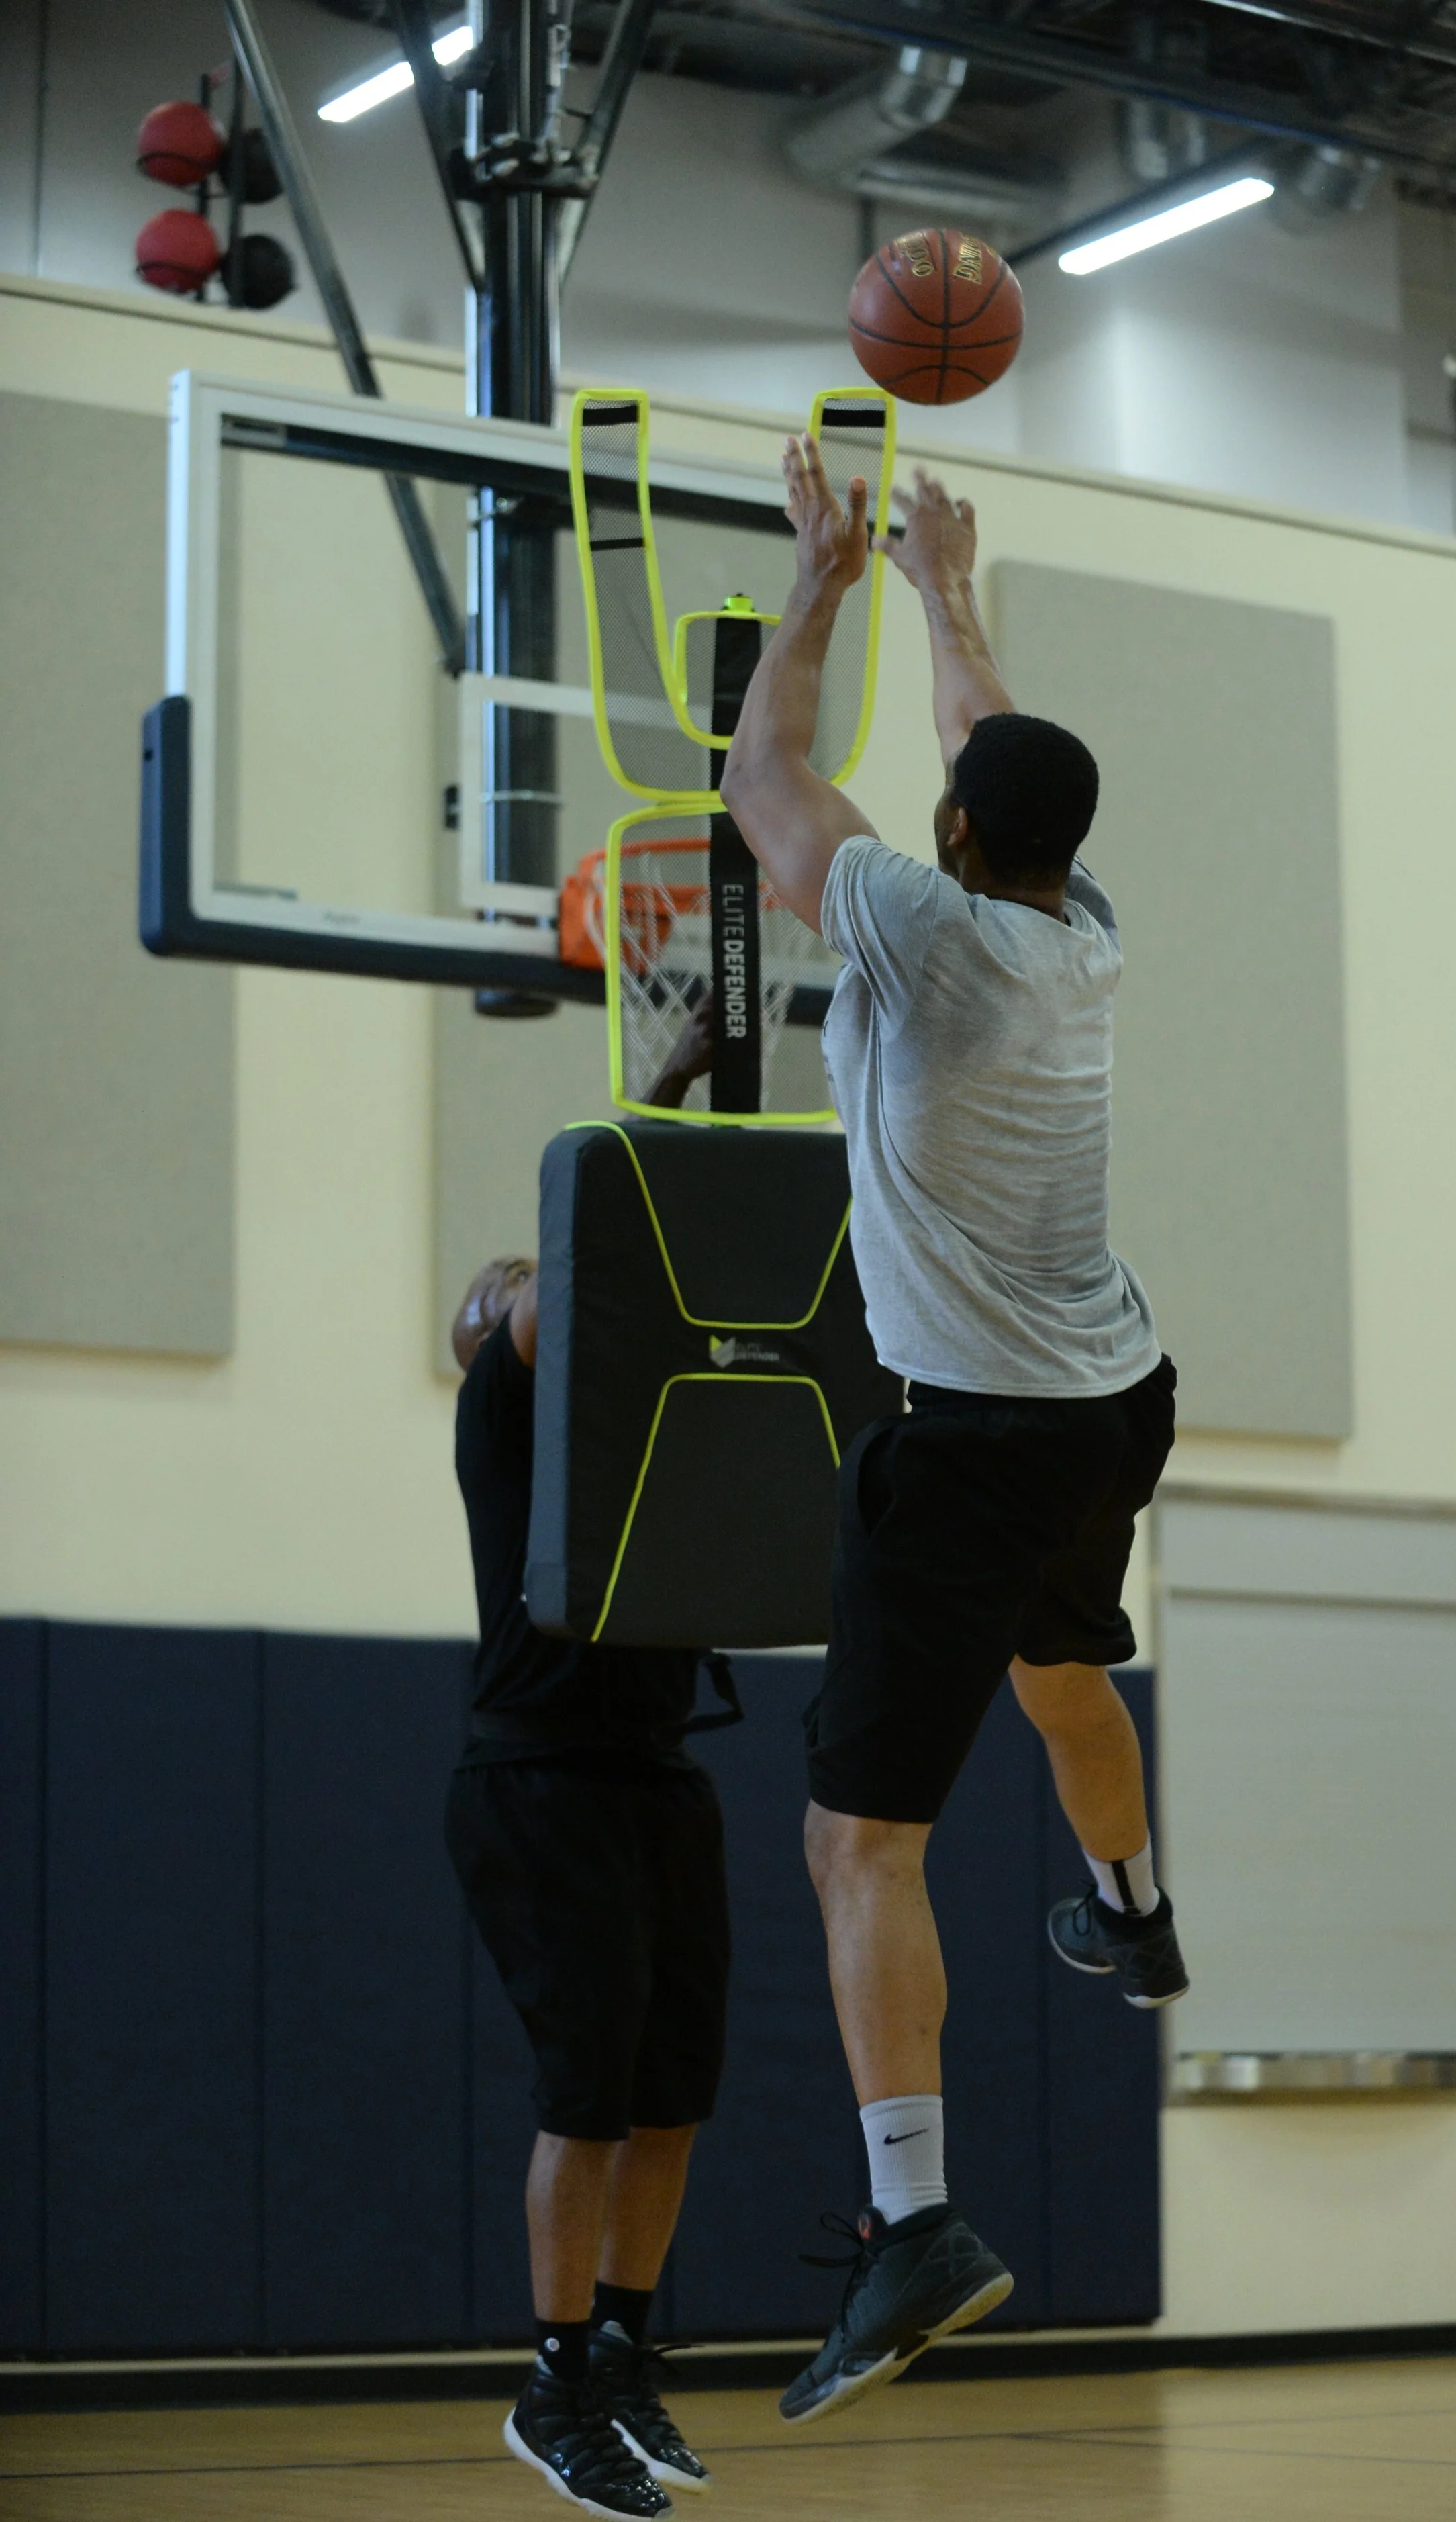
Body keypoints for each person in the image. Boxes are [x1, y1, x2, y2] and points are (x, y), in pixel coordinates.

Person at [718, 441, 1187, 2425]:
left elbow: (760, 788)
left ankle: (912, 2212)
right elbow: (991, 745)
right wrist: (946, 590)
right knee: (1065, 1657)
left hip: (980, 1431)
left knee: (857, 1837)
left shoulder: (916, 923)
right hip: (1113, 1402)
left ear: (947, 833)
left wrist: (822, 577)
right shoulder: (1079, 932)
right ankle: (1139, 1917)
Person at [444, 1009, 729, 2518]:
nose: (519, 1285)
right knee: (590, 2096)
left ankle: (619, 2351)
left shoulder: (649, 1427)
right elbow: (582, 1270)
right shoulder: (505, 1413)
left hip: (656, 1777)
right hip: (535, 1779)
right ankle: (550, 2382)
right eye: (498, 1289)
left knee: (673, 2094)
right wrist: (664, 1083)